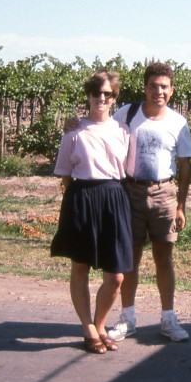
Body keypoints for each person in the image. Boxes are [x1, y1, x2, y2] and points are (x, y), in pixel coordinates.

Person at [100, 61, 191, 343]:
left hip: (164, 193)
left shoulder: (178, 123)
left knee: (164, 259)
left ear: (172, 90)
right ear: (145, 88)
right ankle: (127, 319)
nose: (158, 91)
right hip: (130, 193)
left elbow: (185, 166)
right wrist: (75, 125)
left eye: (164, 86)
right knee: (130, 258)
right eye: (153, 86)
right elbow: (99, 128)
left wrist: (181, 206)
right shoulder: (127, 114)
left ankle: (168, 318)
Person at [50, 69, 132, 354]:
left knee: (116, 276)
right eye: (96, 93)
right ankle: (88, 328)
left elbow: (128, 170)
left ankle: (100, 324)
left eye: (107, 93)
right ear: (88, 95)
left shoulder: (123, 131)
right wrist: (76, 198)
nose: (101, 98)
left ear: (114, 97)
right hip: (82, 197)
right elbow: (65, 174)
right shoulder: (74, 131)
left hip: (113, 198)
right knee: (80, 266)